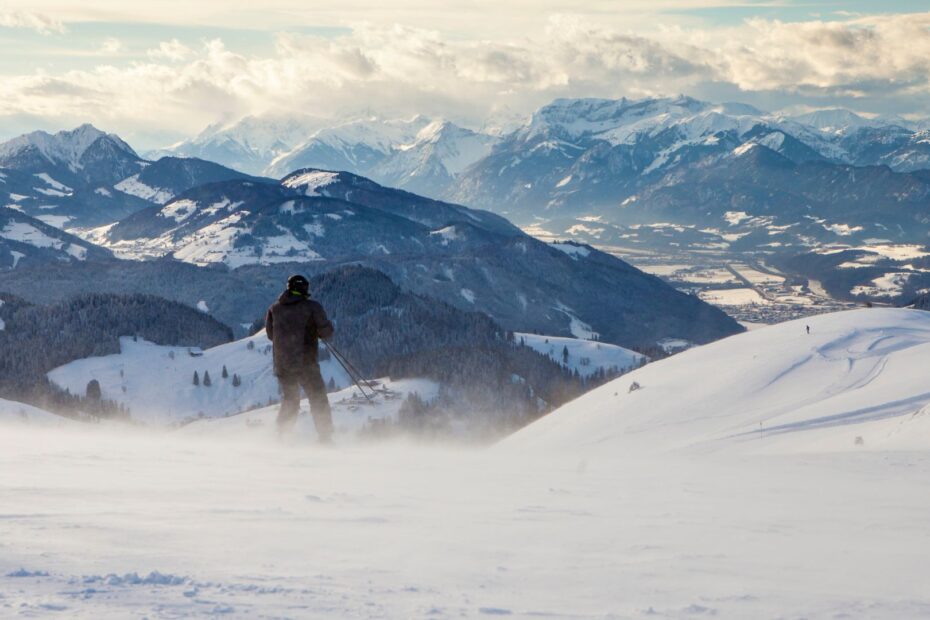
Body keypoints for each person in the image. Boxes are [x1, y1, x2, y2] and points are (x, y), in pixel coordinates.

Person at [265, 274, 335, 442]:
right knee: (317, 398)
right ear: (305, 288)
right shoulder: (312, 307)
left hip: (282, 363)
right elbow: (327, 332)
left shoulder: (274, 308)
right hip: (306, 363)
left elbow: (270, 335)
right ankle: (325, 438)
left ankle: (281, 435)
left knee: (291, 399)